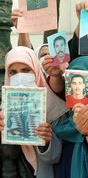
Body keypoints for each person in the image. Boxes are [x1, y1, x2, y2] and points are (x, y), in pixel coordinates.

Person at [0, 46, 66, 178]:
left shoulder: (56, 109)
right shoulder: (3, 109)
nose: (19, 76)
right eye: (13, 72)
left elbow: (57, 157)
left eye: (26, 70)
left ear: (36, 70)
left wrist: (47, 142)